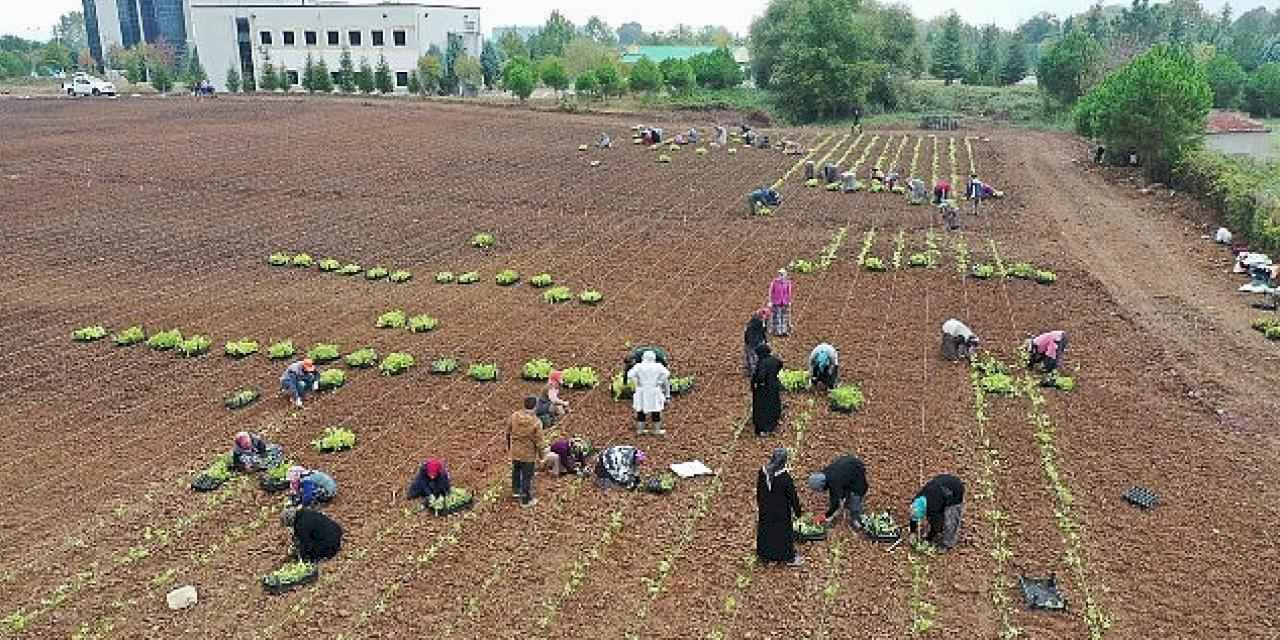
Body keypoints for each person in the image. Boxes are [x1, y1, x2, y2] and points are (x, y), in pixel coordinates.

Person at [756, 448, 804, 566]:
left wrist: (761, 505)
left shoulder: (763, 472)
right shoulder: (784, 477)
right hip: (781, 512)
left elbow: (759, 491)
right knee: (782, 534)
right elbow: (793, 497)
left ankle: (765, 556)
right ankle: (787, 558)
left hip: (765, 509)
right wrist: (798, 512)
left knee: (766, 531)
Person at [807, 454, 867, 529]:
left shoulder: (834, 482)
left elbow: (835, 503)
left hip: (857, 470)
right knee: (844, 493)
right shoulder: (826, 474)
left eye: (819, 489)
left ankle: (857, 520)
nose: (820, 491)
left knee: (855, 496)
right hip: (848, 467)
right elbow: (836, 495)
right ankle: (847, 502)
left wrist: (826, 516)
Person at [909, 474, 965, 549]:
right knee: (936, 515)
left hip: (955, 490)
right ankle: (940, 528)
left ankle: (947, 544)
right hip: (941, 486)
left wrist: (928, 539)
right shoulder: (917, 500)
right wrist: (912, 532)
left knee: (950, 521)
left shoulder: (933, 507)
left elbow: (936, 525)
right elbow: (914, 517)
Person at [509, 397, 543, 507]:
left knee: (516, 471)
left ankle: (515, 491)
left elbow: (508, 432)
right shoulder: (536, 422)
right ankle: (525, 500)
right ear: (535, 406)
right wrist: (541, 456)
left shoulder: (514, 416)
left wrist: (510, 447)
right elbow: (539, 442)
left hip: (515, 451)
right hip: (528, 455)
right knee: (527, 477)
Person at [628, 350, 671, 436]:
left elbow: (630, 375)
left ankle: (640, 430)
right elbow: (667, 373)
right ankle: (656, 430)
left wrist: (637, 382)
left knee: (641, 410)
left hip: (642, 390)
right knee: (656, 410)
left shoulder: (638, 366)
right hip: (654, 390)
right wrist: (659, 382)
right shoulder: (658, 366)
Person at [751, 344, 784, 437]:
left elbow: (760, 376)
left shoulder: (762, 363)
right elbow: (780, 364)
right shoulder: (774, 360)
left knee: (762, 409)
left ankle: (763, 429)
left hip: (764, 389)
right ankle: (773, 424)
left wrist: (756, 383)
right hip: (774, 387)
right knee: (774, 405)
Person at [743, 307, 769, 376]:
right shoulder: (754, 322)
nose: (768, 318)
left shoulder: (762, 321)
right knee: (752, 356)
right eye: (767, 316)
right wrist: (753, 342)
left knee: (752, 356)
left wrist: (765, 340)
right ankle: (753, 371)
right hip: (751, 341)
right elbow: (749, 333)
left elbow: (763, 332)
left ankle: (752, 370)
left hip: (756, 341)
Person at [768, 269, 793, 337]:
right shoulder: (775, 282)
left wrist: (789, 301)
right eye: (780, 274)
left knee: (784, 316)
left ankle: (784, 331)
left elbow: (789, 293)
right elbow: (771, 292)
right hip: (776, 301)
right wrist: (770, 301)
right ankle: (778, 331)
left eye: (782, 274)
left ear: (785, 275)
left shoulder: (788, 283)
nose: (781, 276)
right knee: (777, 316)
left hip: (784, 302)